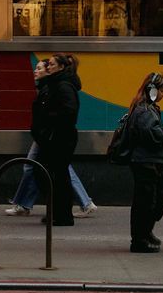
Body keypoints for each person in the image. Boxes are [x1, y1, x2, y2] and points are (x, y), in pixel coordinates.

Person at [6, 59, 96, 217]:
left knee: (37, 167)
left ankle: (25, 204)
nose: (36, 70)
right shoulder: (49, 86)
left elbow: (62, 112)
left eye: (41, 68)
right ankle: (26, 204)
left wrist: (45, 127)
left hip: (49, 135)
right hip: (47, 134)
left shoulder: (55, 87)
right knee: (56, 168)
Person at [125, 71, 163, 253]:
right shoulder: (144, 110)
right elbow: (152, 136)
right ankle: (140, 238)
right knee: (148, 201)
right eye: (161, 90)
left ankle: (145, 233)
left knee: (155, 197)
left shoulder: (146, 108)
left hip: (150, 161)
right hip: (147, 162)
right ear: (153, 90)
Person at [30, 53, 82, 228]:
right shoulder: (56, 84)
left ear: (60, 67)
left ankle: (62, 214)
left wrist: (48, 119)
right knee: (54, 175)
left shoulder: (63, 86)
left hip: (60, 138)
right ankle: (58, 212)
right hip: (54, 136)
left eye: (51, 64)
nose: (48, 67)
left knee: (55, 175)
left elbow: (69, 111)